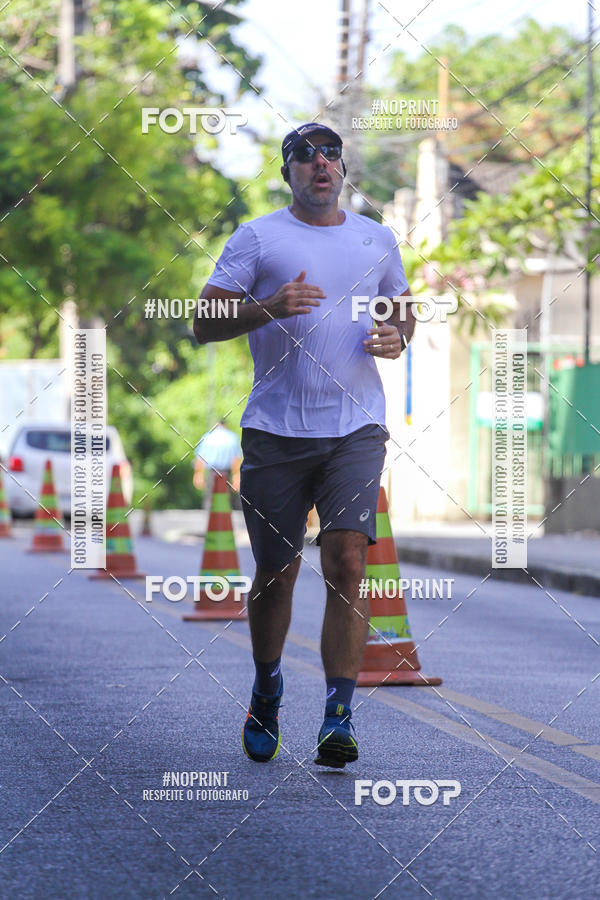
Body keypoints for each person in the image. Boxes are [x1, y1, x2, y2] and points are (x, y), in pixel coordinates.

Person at [193, 122, 416, 768]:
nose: (321, 165)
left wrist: (398, 336)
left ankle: (338, 715)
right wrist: (269, 305)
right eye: (306, 157)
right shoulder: (258, 237)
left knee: (347, 560)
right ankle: (267, 691)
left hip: (356, 426)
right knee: (277, 571)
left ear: (342, 169)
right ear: (288, 172)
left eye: (331, 155)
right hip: (275, 431)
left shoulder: (376, 238)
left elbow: (401, 307)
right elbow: (204, 322)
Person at [193, 420, 242, 505]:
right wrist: (237, 476)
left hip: (212, 472)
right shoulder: (232, 437)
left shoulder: (207, 437)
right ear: (226, 426)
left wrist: (198, 474)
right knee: (227, 497)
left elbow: (200, 458)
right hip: (226, 472)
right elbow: (236, 459)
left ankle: (210, 510)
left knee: (210, 496)